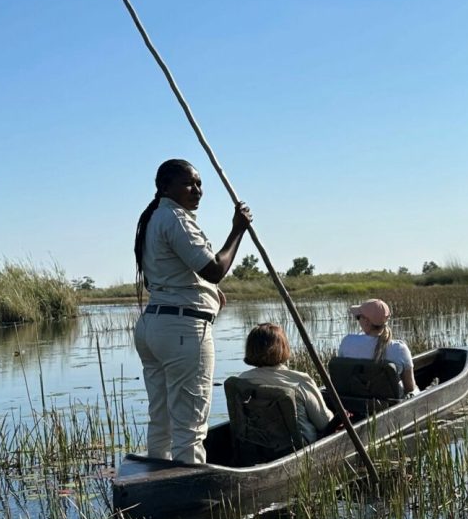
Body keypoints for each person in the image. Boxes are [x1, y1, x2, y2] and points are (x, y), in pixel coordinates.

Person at [133, 158, 252, 464]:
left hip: (154, 326)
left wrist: (208, 293)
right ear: (164, 188)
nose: (197, 190)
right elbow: (214, 269)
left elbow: (172, 275)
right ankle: (190, 492)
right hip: (182, 332)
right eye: (189, 183)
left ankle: (157, 480)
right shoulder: (175, 218)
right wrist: (237, 230)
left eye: (199, 184)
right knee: (190, 425)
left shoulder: (155, 218)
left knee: (161, 419)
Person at [236, 323, 336, 444]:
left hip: (257, 445)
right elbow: (324, 423)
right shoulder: (299, 380)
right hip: (299, 448)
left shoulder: (241, 380)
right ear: (283, 348)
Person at [337, 298, 419, 396]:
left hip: (354, 402)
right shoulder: (399, 349)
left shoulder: (347, 342)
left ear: (367, 321)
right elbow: (410, 388)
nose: (358, 321)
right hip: (388, 405)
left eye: (358, 317)